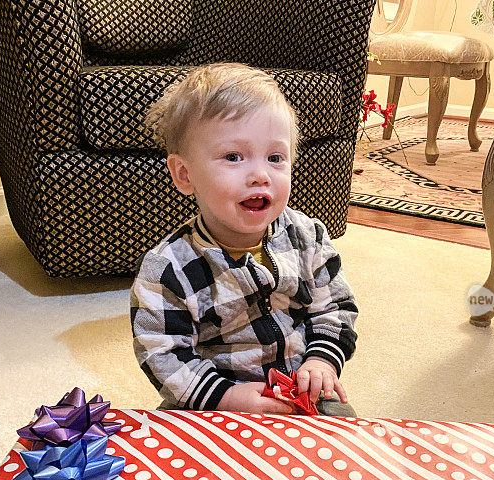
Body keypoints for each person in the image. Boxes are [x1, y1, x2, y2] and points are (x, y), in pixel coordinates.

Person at [131, 63, 358, 415]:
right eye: (233, 157)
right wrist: (226, 397)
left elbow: (335, 308)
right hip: (211, 399)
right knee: (186, 458)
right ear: (184, 174)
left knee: (343, 445)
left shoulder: (307, 236)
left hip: (302, 387)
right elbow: (161, 352)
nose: (260, 175)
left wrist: (322, 362)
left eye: (275, 157)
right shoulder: (168, 268)